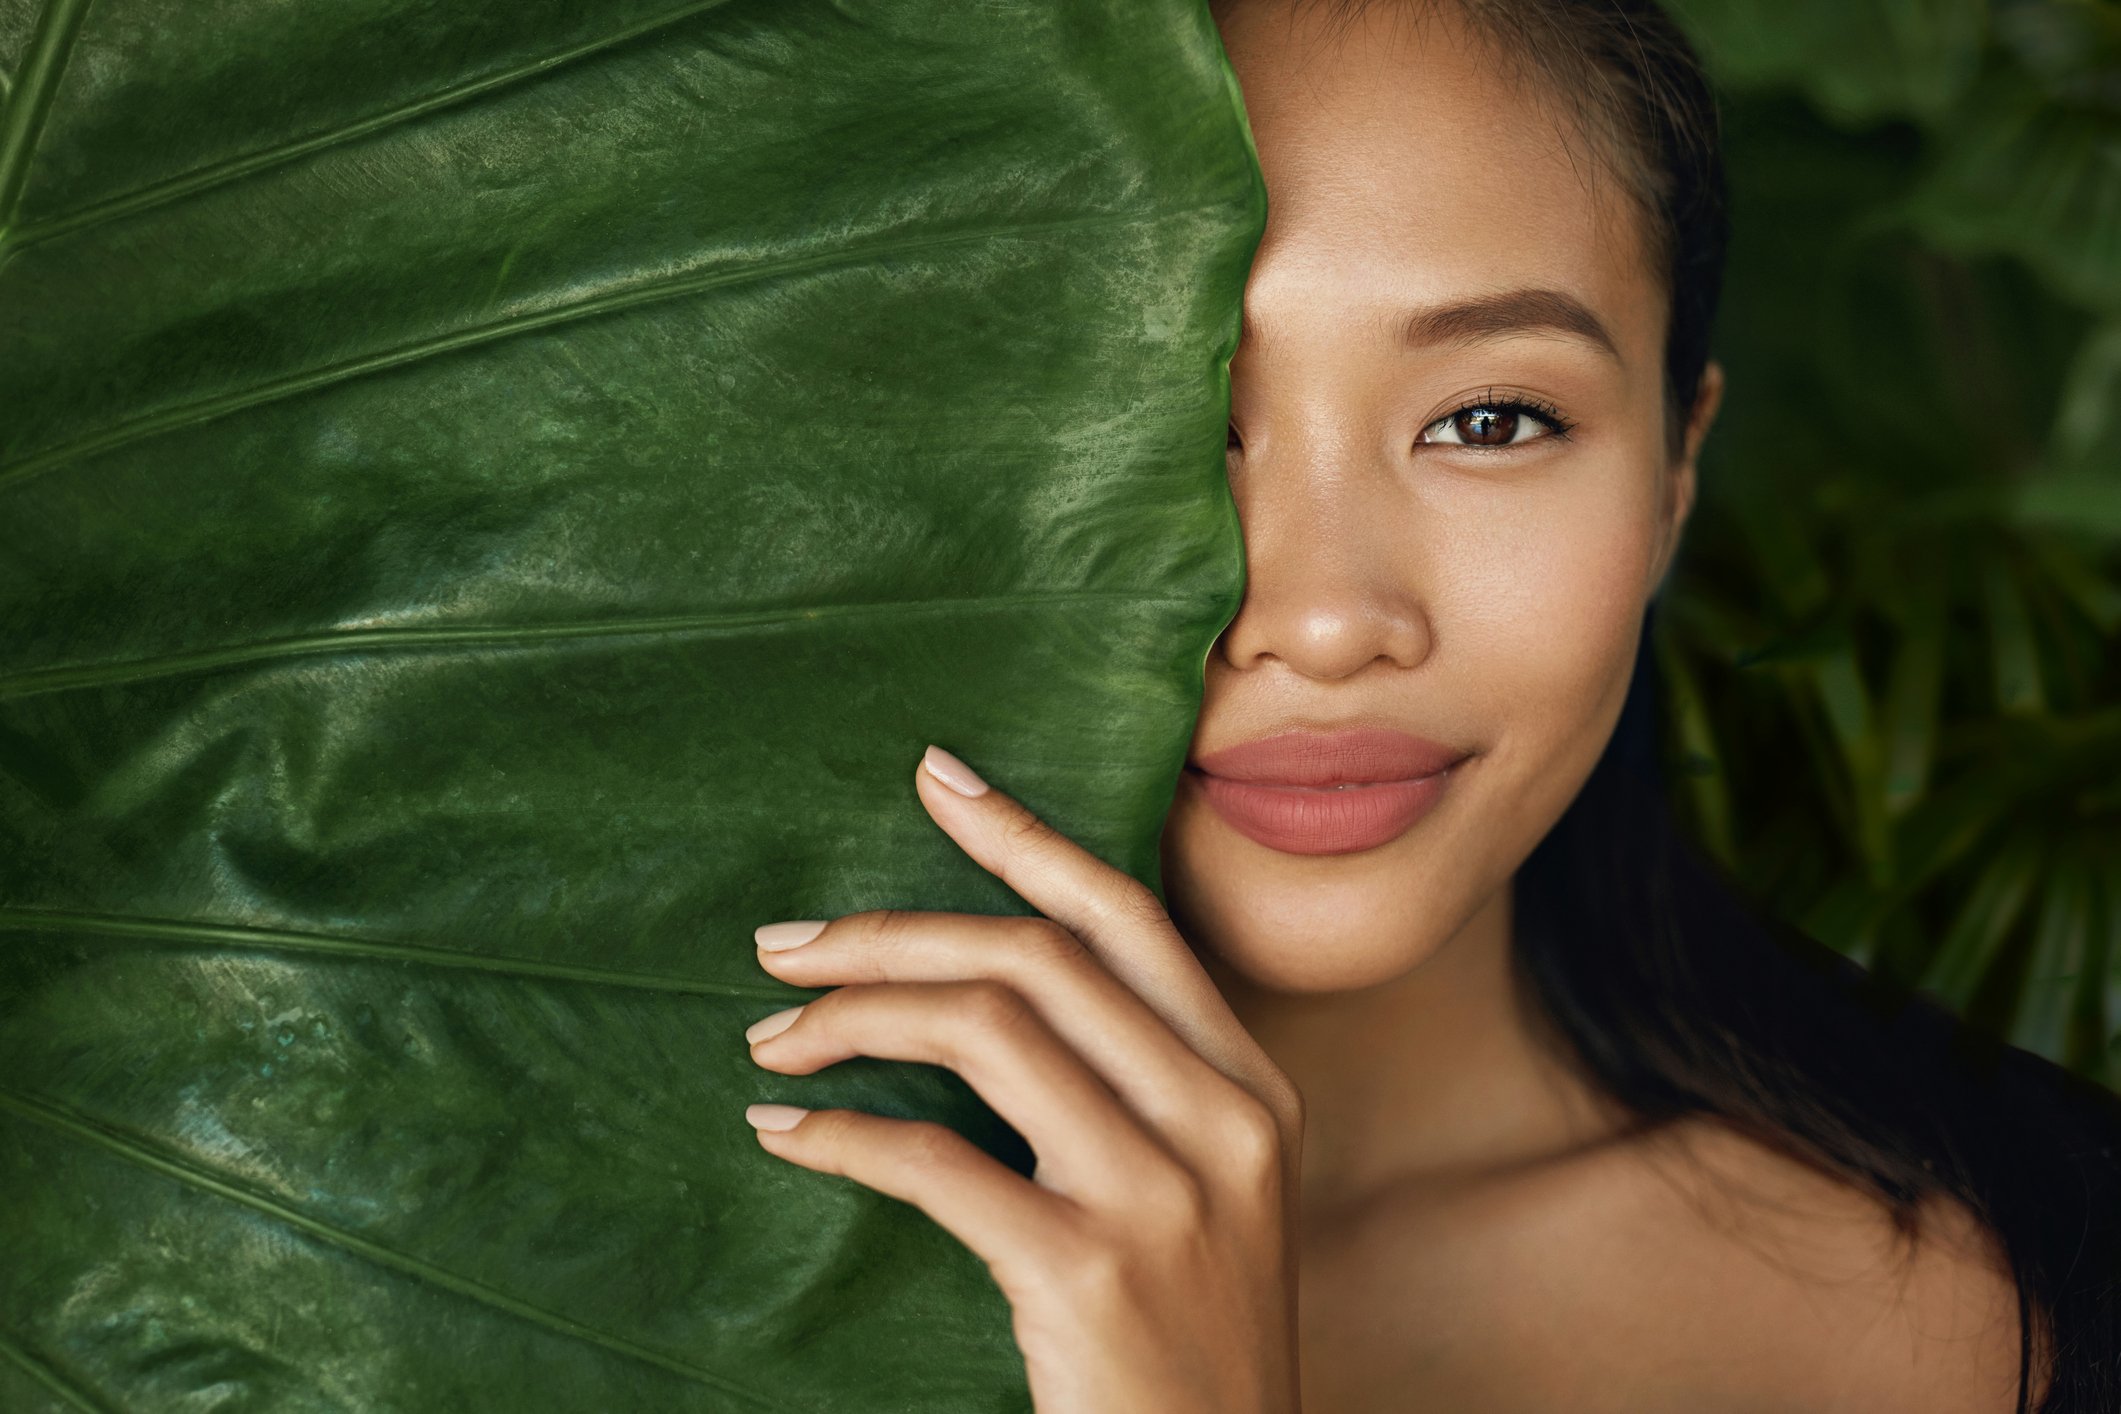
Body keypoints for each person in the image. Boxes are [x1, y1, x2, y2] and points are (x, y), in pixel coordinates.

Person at [737, 0, 2121, 1409]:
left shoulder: (2055, 1284)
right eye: (1161, 419)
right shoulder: (597, 1266)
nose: (1327, 619)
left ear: (1669, 476)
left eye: (1490, 419)